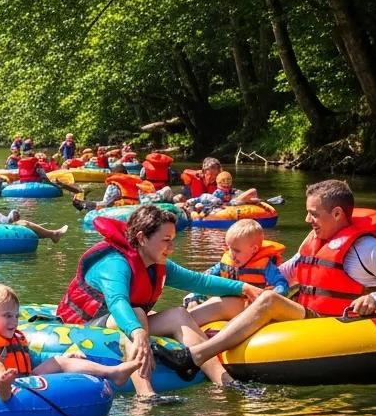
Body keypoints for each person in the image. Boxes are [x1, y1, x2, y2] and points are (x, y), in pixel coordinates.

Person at [162, 179, 376, 379]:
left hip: (333, 323)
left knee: (267, 300)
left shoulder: (366, 248)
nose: (307, 219)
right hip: (306, 313)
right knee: (242, 297)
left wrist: (375, 298)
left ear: (336, 214)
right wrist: (241, 283)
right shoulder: (315, 240)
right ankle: (160, 334)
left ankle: (196, 355)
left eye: (313, 213)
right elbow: (289, 271)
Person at [55, 204, 260, 394]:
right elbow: (118, 301)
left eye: (173, 239)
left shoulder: (157, 263)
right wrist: (137, 331)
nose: (171, 248)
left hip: (129, 319)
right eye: (166, 240)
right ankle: (146, 395)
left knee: (178, 314)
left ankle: (226, 383)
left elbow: (199, 282)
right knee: (135, 313)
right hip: (85, 325)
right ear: (142, 238)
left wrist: (243, 287)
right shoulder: (114, 263)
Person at [0, 283, 139, 402]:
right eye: (7, 316)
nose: (14, 321)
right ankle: (1, 386)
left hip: (24, 379)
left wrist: (62, 358)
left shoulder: (16, 338)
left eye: (15, 315)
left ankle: (113, 373)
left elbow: (33, 359)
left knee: (60, 360)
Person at [191, 219, 288, 299]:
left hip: (251, 305)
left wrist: (275, 293)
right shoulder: (226, 262)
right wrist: (197, 295)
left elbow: (281, 283)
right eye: (229, 248)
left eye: (237, 251)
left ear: (254, 249)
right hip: (228, 304)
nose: (232, 255)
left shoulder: (265, 266)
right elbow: (205, 279)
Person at [70, 163, 154, 212]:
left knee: (89, 203)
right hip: (135, 208)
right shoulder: (135, 183)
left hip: (121, 210)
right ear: (126, 173)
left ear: (114, 174)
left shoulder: (114, 184)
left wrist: (84, 204)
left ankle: (82, 203)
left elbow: (105, 204)